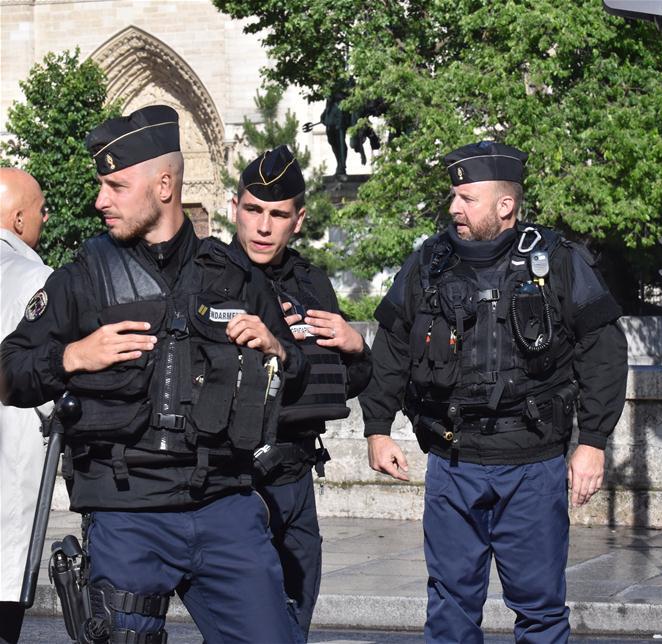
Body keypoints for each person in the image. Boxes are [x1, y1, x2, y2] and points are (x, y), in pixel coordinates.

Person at [0, 106, 306, 644]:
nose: (100, 200)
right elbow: (7, 373)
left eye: (116, 186)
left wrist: (278, 349)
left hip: (225, 506)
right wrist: (71, 356)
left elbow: (296, 375)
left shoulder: (234, 274)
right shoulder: (82, 278)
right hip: (127, 513)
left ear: (164, 185)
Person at [360, 141, 628, 643]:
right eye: (454, 197)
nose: (453, 208)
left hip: (532, 465)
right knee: (450, 609)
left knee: (541, 611)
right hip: (452, 463)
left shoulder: (558, 264)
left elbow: (605, 351)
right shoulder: (428, 265)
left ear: (505, 205)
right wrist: (377, 429)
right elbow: (392, 346)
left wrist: (592, 442)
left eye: (467, 198)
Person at [231, 144, 372, 637]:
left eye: (278, 215)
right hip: (235, 480)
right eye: (254, 211)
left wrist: (356, 347)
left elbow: (343, 384)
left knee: (295, 620)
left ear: (298, 219)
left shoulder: (311, 281)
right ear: (235, 209)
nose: (264, 227)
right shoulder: (212, 278)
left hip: (295, 475)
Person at [0, 168, 52, 644]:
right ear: (18, 219)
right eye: (40, 210)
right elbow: (53, 395)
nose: (46, 217)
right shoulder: (35, 280)